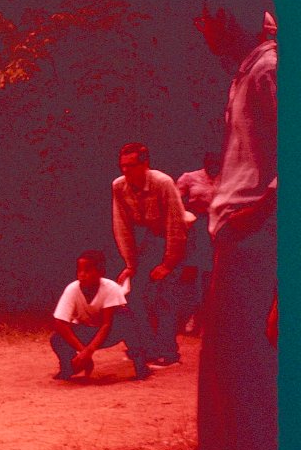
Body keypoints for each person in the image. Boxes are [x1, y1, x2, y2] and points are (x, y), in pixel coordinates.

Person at [195, 7, 278, 450]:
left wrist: (261, 208)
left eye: (207, 20)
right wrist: (213, 192)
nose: (202, 32)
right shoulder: (245, 73)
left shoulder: (269, 70)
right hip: (236, 229)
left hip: (254, 234)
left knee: (241, 363)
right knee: (226, 360)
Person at [111, 143, 187, 368]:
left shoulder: (162, 183)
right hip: (149, 239)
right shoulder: (119, 186)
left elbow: (176, 223)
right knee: (135, 296)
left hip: (174, 238)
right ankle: (144, 347)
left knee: (165, 296)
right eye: (123, 166)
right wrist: (130, 263)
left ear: (145, 165)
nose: (126, 170)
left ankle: (168, 353)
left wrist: (168, 264)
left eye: (132, 165)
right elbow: (121, 225)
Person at [50, 250, 151, 381]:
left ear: (100, 272)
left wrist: (88, 351)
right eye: (79, 270)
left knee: (128, 320)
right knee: (57, 338)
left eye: (87, 270)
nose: (82, 275)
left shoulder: (111, 288)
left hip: (108, 333)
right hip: (87, 332)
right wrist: (83, 353)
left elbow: (106, 324)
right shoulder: (72, 289)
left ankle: (141, 365)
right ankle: (68, 367)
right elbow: (60, 323)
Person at [176, 153, 221, 334]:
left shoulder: (226, 177)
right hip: (197, 227)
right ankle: (186, 316)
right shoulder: (190, 177)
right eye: (210, 163)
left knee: (211, 276)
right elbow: (174, 200)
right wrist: (185, 217)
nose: (213, 167)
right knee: (190, 273)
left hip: (219, 227)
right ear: (204, 163)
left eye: (216, 163)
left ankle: (205, 319)